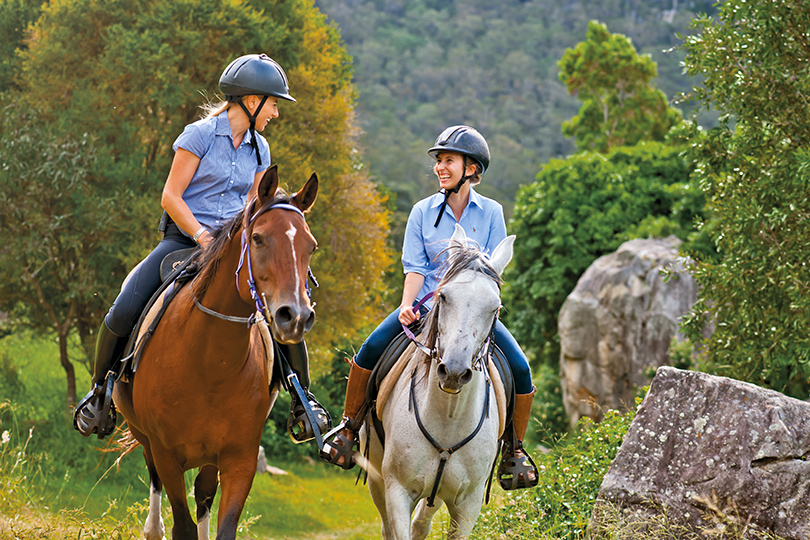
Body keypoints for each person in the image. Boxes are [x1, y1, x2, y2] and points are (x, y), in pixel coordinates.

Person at [74, 53, 326, 439]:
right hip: (184, 241)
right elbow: (171, 197)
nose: (276, 113)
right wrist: (202, 236)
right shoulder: (199, 135)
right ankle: (99, 394)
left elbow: (252, 207)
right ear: (252, 101)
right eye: (274, 104)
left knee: (282, 303)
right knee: (126, 305)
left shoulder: (262, 149)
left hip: (234, 246)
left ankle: (302, 399)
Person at [322, 125, 538, 490]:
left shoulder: (492, 213)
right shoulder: (422, 211)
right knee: (370, 349)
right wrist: (407, 305)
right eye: (439, 160)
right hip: (427, 305)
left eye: (448, 160)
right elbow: (416, 269)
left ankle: (513, 450)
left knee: (521, 368)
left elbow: (493, 271)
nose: (440, 167)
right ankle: (348, 427)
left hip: (472, 313)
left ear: (471, 168)